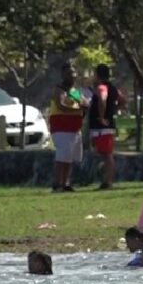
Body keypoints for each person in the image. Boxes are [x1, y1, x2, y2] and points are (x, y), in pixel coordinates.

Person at [49, 62, 88, 192]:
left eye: (73, 73)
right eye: (68, 73)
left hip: (74, 128)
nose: (71, 76)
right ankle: (57, 183)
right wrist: (78, 110)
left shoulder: (74, 92)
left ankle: (66, 182)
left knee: (69, 157)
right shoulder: (59, 89)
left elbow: (85, 103)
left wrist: (84, 106)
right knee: (62, 155)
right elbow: (60, 106)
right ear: (63, 75)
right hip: (61, 127)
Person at [88, 63, 124, 190]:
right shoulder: (114, 88)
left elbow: (102, 100)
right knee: (104, 154)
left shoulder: (102, 87)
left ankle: (108, 181)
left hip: (102, 127)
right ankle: (106, 179)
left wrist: (103, 117)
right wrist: (113, 109)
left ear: (98, 75)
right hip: (105, 127)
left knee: (107, 155)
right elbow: (122, 100)